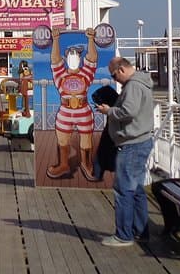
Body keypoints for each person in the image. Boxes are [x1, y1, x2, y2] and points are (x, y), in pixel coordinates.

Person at [96, 56, 154, 247]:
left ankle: (123, 235)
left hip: (131, 144)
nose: (115, 80)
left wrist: (108, 111)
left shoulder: (133, 86)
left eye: (114, 75)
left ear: (121, 70)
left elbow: (128, 111)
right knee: (136, 189)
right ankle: (141, 231)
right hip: (141, 141)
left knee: (123, 190)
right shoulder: (140, 83)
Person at [47, 27, 98, 180]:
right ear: (66, 57)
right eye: (71, 54)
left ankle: (86, 163)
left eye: (76, 54)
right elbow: (55, 59)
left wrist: (90, 39)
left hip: (83, 110)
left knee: (86, 139)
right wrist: (55, 40)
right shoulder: (60, 74)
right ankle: (63, 164)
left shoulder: (86, 73)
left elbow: (93, 58)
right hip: (65, 110)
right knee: (62, 139)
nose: (74, 57)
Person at [89, 84, 118, 181]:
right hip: (113, 129)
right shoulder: (118, 100)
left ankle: (98, 174)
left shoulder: (118, 105)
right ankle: (97, 174)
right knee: (103, 151)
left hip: (115, 130)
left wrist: (107, 110)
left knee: (104, 151)